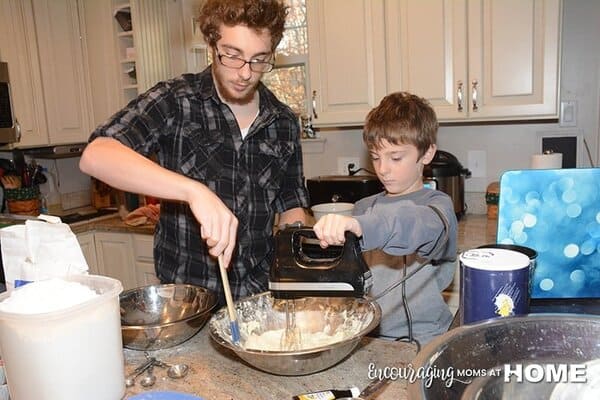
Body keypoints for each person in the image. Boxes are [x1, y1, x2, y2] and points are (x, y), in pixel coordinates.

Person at [79, 0, 309, 305]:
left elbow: (292, 204)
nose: (245, 73)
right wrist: (193, 192)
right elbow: (97, 155)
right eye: (232, 55)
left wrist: (305, 251)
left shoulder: (283, 121)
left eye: (259, 60)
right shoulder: (176, 101)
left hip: (260, 297)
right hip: (187, 304)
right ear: (211, 44)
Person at [313, 92, 458, 346]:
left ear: (426, 154)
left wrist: (360, 225)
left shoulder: (438, 208)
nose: (382, 169)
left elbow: (408, 223)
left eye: (396, 157)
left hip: (428, 341)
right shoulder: (364, 207)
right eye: (376, 157)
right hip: (372, 339)